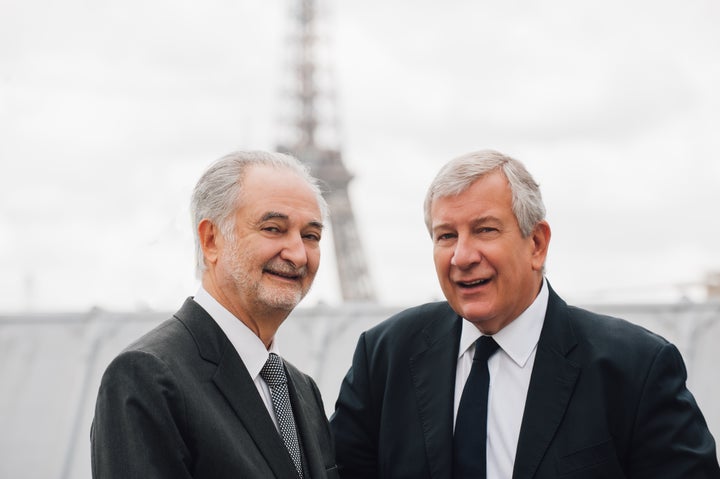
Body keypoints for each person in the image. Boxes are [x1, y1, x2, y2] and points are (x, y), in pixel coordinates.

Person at [330, 149, 720, 478]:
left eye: (484, 230)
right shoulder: (384, 355)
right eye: (446, 235)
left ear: (536, 243)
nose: (462, 256)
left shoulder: (636, 368)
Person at [92, 150, 339, 478]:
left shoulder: (301, 389)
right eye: (273, 228)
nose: (297, 254)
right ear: (211, 240)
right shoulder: (146, 377)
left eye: (311, 236)